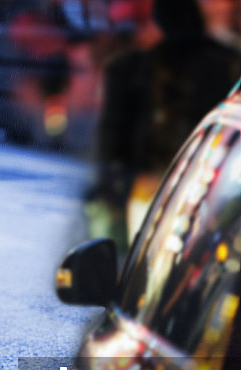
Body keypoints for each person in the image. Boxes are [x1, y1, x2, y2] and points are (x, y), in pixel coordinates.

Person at [90, 0, 241, 250]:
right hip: (204, 183)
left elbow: (112, 136)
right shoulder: (226, 63)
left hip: (154, 184)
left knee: (147, 258)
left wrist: (110, 184)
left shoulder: (129, 67)